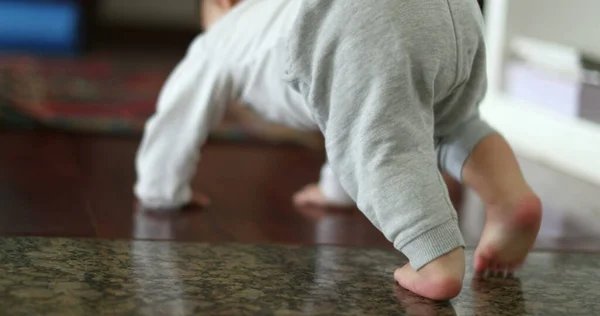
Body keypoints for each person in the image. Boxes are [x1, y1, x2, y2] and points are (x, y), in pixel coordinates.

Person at [134, 0, 542, 300]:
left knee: (380, 140)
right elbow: (339, 112)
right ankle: (509, 199)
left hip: (368, 17)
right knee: (451, 121)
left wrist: (160, 190)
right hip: (457, 15)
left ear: (221, 5)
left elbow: (177, 117)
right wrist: (335, 193)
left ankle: (435, 257)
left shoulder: (220, 39)